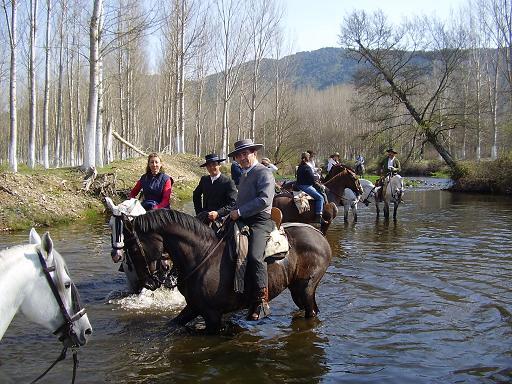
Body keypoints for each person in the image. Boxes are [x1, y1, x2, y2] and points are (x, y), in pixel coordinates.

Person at [228, 139, 275, 321]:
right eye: (239, 155)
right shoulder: (244, 174)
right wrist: (231, 213)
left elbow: (264, 200)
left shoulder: (264, 173)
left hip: (261, 221)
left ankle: (262, 301)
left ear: (254, 153)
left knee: (255, 256)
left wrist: (239, 212)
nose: (242, 158)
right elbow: (241, 200)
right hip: (243, 218)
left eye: (245, 153)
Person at [193, 153, 237, 226]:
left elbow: (233, 203)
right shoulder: (204, 180)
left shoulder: (228, 182)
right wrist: (199, 212)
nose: (211, 167)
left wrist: (218, 213)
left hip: (221, 219)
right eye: (209, 166)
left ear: (219, 165)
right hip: (205, 217)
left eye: (214, 164)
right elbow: (196, 195)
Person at [296, 152, 325, 225]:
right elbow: (312, 179)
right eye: (309, 157)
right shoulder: (307, 167)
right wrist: (319, 185)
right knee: (320, 198)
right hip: (305, 186)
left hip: (299, 185)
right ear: (307, 159)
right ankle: (318, 216)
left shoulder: (300, 166)